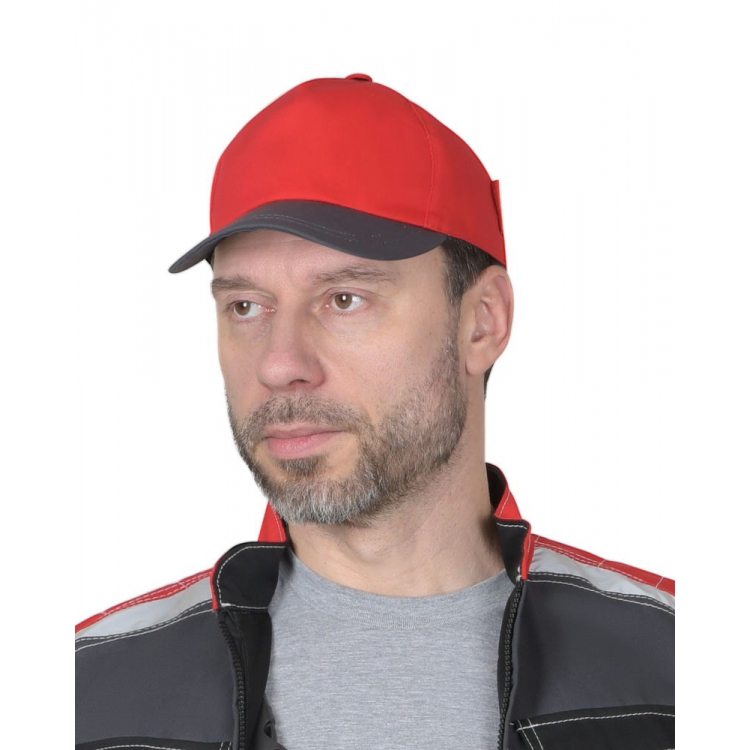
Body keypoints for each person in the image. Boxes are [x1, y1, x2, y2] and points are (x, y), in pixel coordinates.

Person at [75, 74, 675, 750]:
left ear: (482, 322)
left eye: (344, 299)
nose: (279, 363)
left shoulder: (673, 672)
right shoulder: (90, 695)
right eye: (245, 306)